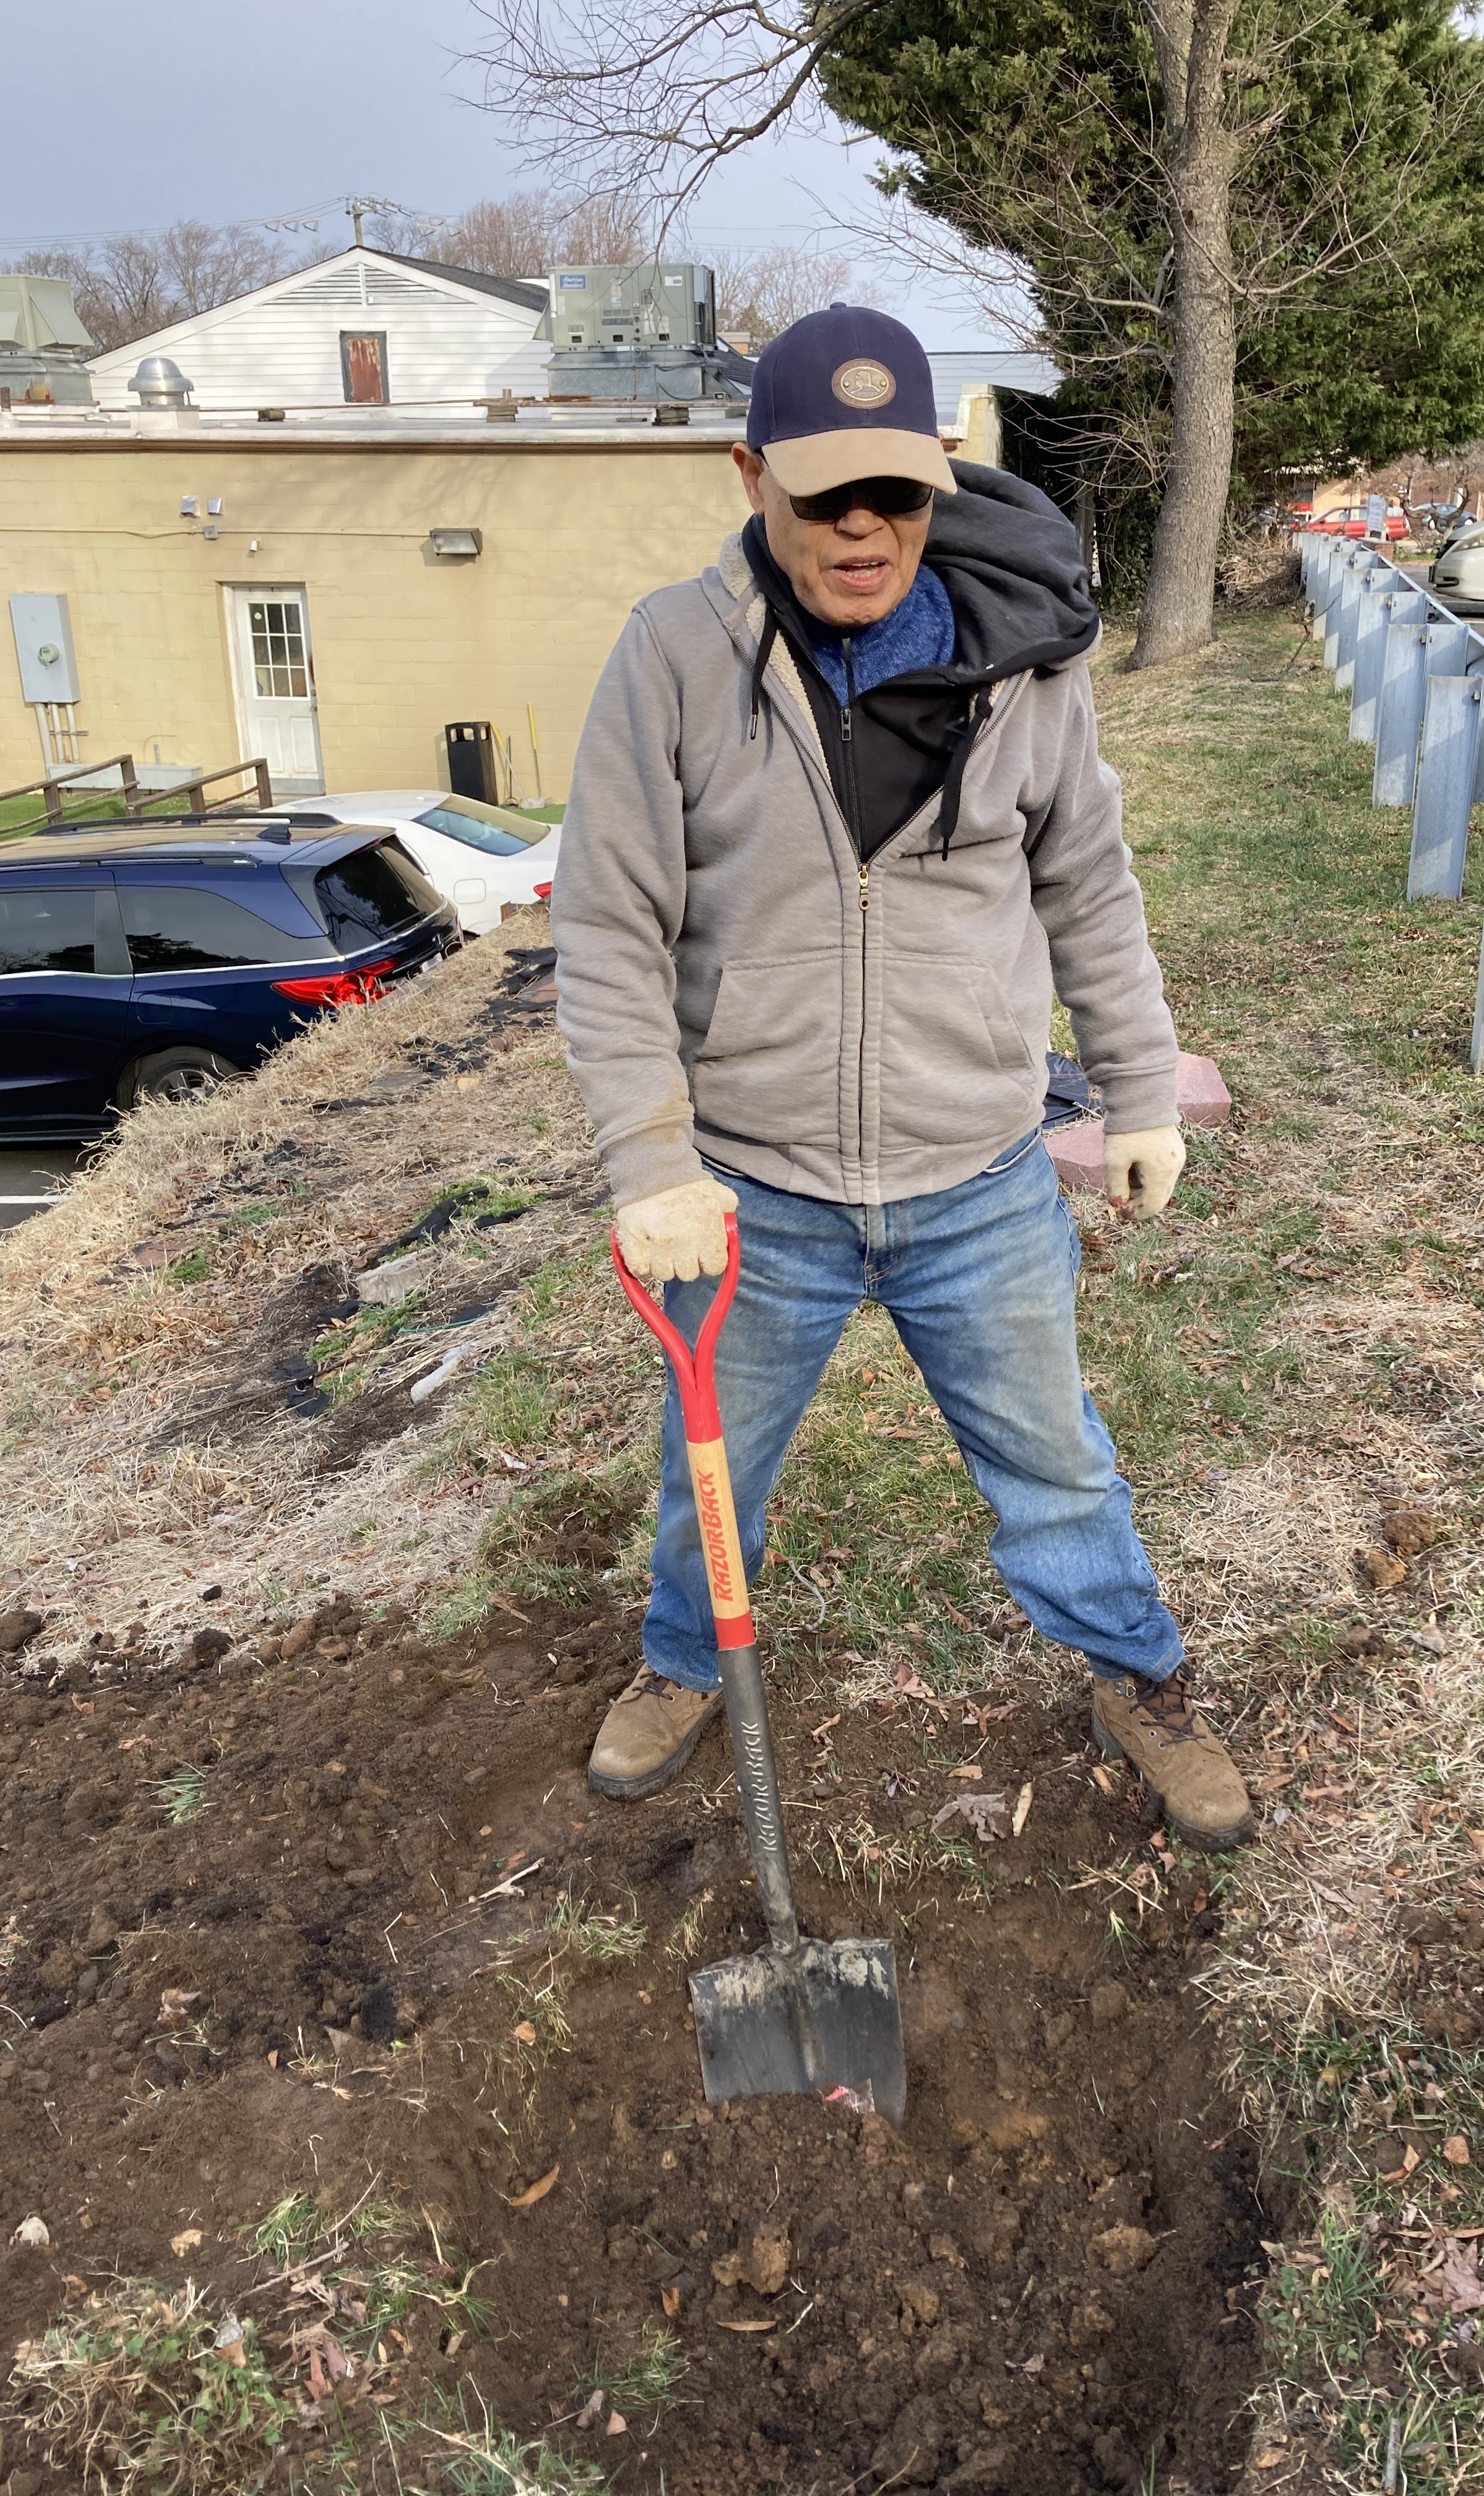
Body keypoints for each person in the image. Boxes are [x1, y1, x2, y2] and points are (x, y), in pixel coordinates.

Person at [551, 304, 1252, 1852]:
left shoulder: (1024, 660)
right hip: (754, 1187)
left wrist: (1137, 1090)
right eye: (825, 496)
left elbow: (1089, 886)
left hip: (978, 1173)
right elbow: (606, 926)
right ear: (754, 480)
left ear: (935, 483)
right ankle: (684, 1663)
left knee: (1056, 1466)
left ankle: (1137, 1676)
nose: (862, 529)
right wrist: (651, 1160)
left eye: (895, 493)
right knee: (710, 1471)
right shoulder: (675, 656)